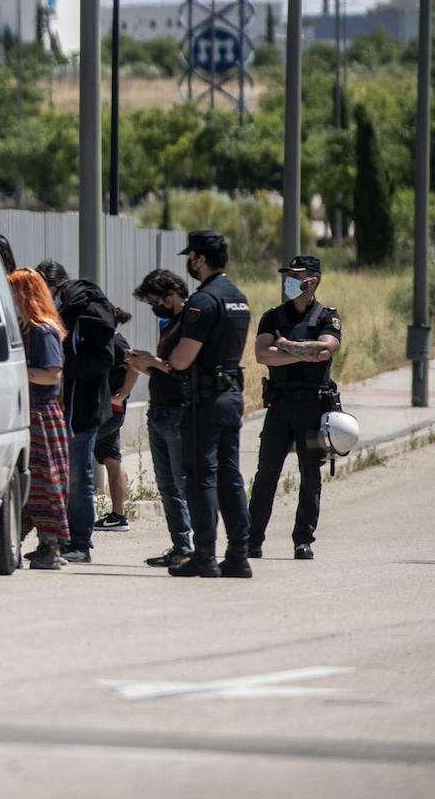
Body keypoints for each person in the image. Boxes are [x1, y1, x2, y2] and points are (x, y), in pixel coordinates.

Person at [163, 229, 253, 579]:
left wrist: (160, 362)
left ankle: (205, 557)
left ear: (199, 259)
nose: (189, 262)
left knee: (202, 477)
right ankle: (239, 555)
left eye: (191, 256)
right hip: (231, 395)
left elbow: (183, 359)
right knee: (231, 476)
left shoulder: (204, 301)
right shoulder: (238, 298)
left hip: (205, 400)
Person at [247, 254, 342, 560]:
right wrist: (304, 352)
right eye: (287, 275)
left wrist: (286, 346)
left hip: (314, 407)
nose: (289, 280)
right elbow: (263, 355)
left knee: (310, 476)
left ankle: (303, 540)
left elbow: (327, 350)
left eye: (295, 275)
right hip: (280, 406)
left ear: (312, 280)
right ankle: (252, 540)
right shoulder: (272, 317)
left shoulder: (327, 316)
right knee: (265, 475)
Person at [35, 259, 119, 564]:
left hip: (82, 406)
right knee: (61, 475)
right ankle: (60, 539)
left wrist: (62, 367)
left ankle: (80, 542)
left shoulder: (86, 312)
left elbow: (102, 359)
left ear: (58, 286)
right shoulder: (68, 309)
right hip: (68, 404)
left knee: (78, 476)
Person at [129, 270, 195, 567]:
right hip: (159, 410)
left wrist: (153, 362)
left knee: (184, 483)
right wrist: (143, 364)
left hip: (178, 411)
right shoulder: (170, 325)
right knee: (167, 485)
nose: (155, 307)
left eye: (156, 300)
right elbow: (165, 368)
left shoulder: (191, 323)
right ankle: (181, 546)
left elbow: (182, 367)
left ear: (172, 294)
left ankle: (198, 546)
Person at [8, 268, 70, 570]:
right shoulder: (23, 328)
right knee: (26, 484)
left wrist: (17, 372)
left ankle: (50, 547)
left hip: (42, 417)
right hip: (27, 413)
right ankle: (12, 543)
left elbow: (51, 374)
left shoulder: (43, 330)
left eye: (13, 291)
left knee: (46, 483)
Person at [93, 317, 137, 534]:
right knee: (112, 459)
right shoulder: (108, 339)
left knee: (74, 455)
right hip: (109, 411)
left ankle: (67, 514)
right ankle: (118, 516)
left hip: (106, 411)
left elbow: (134, 365)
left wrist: (123, 394)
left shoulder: (115, 342)